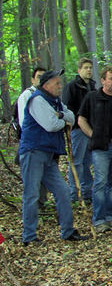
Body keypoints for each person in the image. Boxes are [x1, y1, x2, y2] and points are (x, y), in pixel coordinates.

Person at [19, 69, 88, 245]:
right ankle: (29, 236)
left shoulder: (55, 101)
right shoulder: (37, 100)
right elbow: (51, 125)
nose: (60, 86)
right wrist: (62, 120)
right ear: (46, 85)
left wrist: (60, 116)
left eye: (60, 83)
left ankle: (68, 231)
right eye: (57, 83)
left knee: (63, 191)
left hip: (49, 155)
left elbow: (71, 116)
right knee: (32, 194)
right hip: (33, 152)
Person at [78, 66, 112, 233]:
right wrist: (93, 135)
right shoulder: (93, 97)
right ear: (103, 80)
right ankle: (99, 219)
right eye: (111, 79)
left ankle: (110, 216)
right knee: (101, 182)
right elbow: (81, 119)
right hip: (101, 147)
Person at [62, 57, 96, 203]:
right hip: (77, 130)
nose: (89, 70)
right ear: (79, 70)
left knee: (87, 162)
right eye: (86, 68)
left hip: (90, 129)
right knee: (76, 162)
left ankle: (87, 193)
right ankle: (74, 194)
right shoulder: (72, 87)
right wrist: (74, 123)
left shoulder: (93, 87)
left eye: (90, 68)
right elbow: (66, 108)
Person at [16, 66, 49, 205]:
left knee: (45, 174)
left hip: (47, 143)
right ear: (33, 79)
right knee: (33, 178)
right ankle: (34, 207)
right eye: (39, 77)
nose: (41, 80)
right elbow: (24, 122)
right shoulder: (27, 95)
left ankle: (42, 202)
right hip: (32, 144)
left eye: (44, 77)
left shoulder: (48, 96)